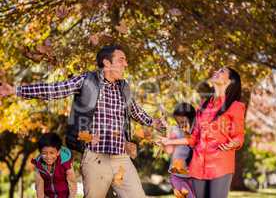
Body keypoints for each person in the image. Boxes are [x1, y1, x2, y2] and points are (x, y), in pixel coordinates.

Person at [0, 45, 165, 198]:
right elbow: (55, 89)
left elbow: (135, 110)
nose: (126, 64)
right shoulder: (87, 80)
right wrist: (16, 90)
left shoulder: (124, 87)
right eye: (121, 60)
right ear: (107, 63)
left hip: (121, 158)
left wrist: (153, 122)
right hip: (95, 158)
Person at [160, 67, 246, 198]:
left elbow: (239, 135)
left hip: (220, 166)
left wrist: (233, 143)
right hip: (197, 167)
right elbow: (194, 138)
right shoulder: (203, 106)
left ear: (229, 82)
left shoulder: (235, 107)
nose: (216, 72)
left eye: (221, 71)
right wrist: (169, 141)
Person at [164, 102, 196, 198]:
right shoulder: (175, 130)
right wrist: (167, 133)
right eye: (178, 121)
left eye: (183, 120)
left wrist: (187, 133)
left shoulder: (197, 131)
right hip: (177, 175)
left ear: (191, 118)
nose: (180, 124)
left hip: (193, 176)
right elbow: (169, 150)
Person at [32, 132, 77, 198]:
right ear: (40, 153)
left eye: (52, 153)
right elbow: (39, 187)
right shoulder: (39, 166)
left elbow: (72, 183)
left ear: (58, 152)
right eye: (44, 153)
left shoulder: (65, 163)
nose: (48, 156)